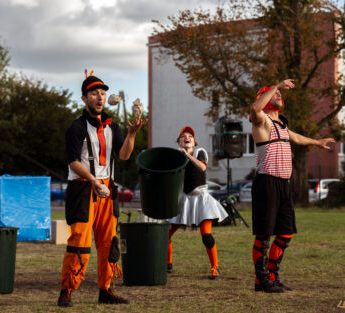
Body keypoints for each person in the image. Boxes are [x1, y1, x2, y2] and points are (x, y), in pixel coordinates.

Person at [57, 71, 147, 306]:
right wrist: (94, 181)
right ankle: (67, 290)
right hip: (83, 187)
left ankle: (105, 289)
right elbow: (73, 162)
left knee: (109, 241)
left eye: (103, 93)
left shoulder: (113, 127)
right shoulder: (76, 128)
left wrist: (131, 134)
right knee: (79, 241)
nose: (100, 97)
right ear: (84, 99)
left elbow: (125, 155)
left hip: (107, 188)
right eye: (94, 93)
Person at [249, 79, 335, 293]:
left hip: (283, 185)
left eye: (278, 94)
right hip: (267, 183)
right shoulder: (261, 120)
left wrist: (317, 142)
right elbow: (254, 108)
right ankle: (261, 282)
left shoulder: (282, 126)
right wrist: (275, 86)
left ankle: (271, 276)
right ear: (265, 97)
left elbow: (296, 137)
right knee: (264, 235)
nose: (279, 96)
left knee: (286, 233)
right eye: (274, 94)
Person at [166, 126, 228, 279]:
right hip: (184, 199)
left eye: (190, 136)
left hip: (201, 198)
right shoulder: (176, 156)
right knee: (165, 234)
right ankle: (168, 264)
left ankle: (215, 267)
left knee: (206, 236)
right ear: (179, 141)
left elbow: (201, 167)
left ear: (194, 141)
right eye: (183, 136)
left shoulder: (200, 152)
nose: (187, 138)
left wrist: (187, 155)